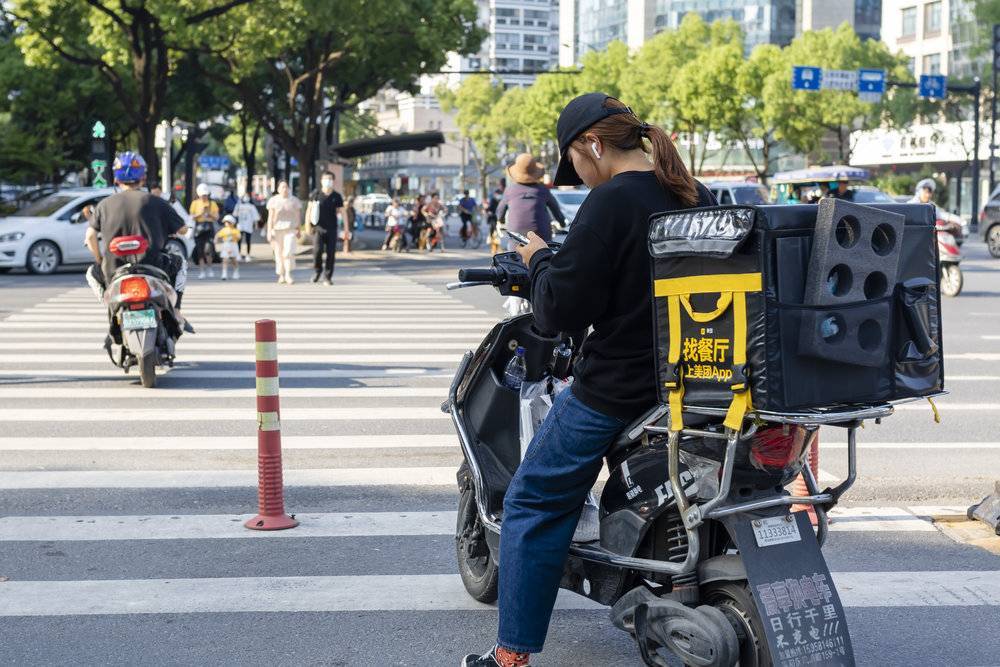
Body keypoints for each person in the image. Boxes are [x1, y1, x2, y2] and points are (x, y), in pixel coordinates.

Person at [462, 93, 716, 667]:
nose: (575, 174)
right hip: (694, 380)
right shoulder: (692, 192)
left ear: (593, 145)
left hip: (618, 387)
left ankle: (510, 655)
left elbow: (559, 312)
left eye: (574, 160)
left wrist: (539, 260)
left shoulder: (609, 203)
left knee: (533, 500)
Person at [84, 151, 189, 309]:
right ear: (143, 177)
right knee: (181, 264)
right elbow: (182, 230)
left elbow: (90, 236)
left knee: (91, 272)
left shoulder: (104, 205)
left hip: (114, 270)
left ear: (116, 179)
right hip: (155, 266)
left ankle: (110, 308)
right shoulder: (156, 202)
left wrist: (100, 260)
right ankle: (177, 311)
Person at [496, 154, 565, 250]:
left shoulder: (510, 190)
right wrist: (562, 222)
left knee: (515, 258)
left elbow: (500, 210)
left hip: (516, 234)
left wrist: (500, 220)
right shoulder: (542, 190)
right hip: (541, 234)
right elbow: (555, 209)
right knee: (545, 257)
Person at [307, 171, 344, 285]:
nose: (328, 181)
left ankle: (328, 277)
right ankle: (318, 271)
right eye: (325, 179)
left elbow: (343, 213)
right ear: (321, 181)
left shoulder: (337, 196)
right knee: (317, 252)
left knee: (331, 253)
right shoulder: (316, 194)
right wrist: (308, 226)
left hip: (332, 229)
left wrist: (346, 229)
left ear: (333, 181)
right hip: (318, 228)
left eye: (330, 179)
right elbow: (309, 210)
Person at [266, 181, 302, 284]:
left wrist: (299, 230)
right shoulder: (274, 201)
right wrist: (269, 231)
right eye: (282, 187)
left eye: (286, 187)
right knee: (279, 253)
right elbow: (270, 218)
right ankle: (281, 275)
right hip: (277, 230)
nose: (285, 189)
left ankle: (288, 274)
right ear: (278, 189)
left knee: (288, 252)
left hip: (290, 229)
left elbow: (298, 216)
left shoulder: (294, 201)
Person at [189, 183, 220, 278]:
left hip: (209, 228)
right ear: (199, 194)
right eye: (203, 195)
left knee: (209, 249)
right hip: (199, 228)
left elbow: (217, 217)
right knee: (200, 250)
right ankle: (202, 271)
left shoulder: (213, 204)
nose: (204, 196)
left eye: (206, 195)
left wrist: (209, 214)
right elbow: (191, 217)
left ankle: (210, 268)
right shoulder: (195, 203)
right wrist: (200, 213)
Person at [233, 192, 260, 262]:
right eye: (244, 196)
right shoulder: (238, 205)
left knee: (248, 240)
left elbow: (256, 216)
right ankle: (238, 254)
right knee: (239, 240)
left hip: (248, 226)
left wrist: (256, 224)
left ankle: (248, 255)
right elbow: (235, 215)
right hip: (240, 226)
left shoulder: (251, 206)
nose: (246, 197)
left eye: (247, 196)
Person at [214, 215, 242, 280]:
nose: (227, 223)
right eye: (226, 222)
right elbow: (218, 235)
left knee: (234, 259)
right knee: (225, 260)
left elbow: (239, 237)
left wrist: (235, 235)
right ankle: (224, 273)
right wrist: (216, 240)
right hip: (226, 245)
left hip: (233, 245)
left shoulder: (235, 230)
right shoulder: (223, 230)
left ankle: (236, 271)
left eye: (229, 222)